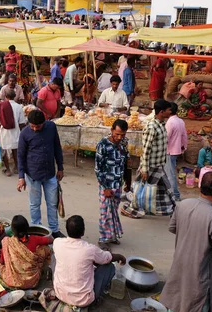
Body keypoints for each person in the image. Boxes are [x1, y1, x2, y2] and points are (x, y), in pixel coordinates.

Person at [159, 172, 212, 312]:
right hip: (201, 278)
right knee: (195, 304)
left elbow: (173, 228)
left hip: (179, 269)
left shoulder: (182, 205)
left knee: (177, 302)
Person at [51, 216, 126, 308]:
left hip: (60, 294)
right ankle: (95, 299)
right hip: (83, 300)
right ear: (83, 231)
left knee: (55, 257)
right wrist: (121, 257)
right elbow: (108, 258)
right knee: (109, 266)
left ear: (66, 230)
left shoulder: (57, 243)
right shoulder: (90, 249)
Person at [123, 99, 175, 218]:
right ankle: (132, 209)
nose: (170, 112)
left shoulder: (161, 125)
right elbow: (145, 150)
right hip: (150, 165)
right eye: (168, 110)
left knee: (164, 188)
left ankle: (167, 208)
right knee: (141, 190)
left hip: (159, 164)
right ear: (162, 112)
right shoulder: (151, 127)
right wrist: (145, 169)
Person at [17, 110, 65, 237]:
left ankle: (54, 230)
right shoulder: (24, 134)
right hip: (33, 175)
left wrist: (60, 167)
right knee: (34, 204)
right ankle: (36, 229)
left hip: (50, 173)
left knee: (52, 203)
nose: (35, 129)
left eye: (37, 126)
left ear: (43, 123)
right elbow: (20, 156)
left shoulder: (51, 127)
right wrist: (21, 177)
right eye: (32, 126)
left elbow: (57, 147)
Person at [95, 120, 130, 250]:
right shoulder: (103, 144)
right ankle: (103, 238)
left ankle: (112, 236)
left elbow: (126, 163)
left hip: (118, 183)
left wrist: (128, 182)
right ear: (111, 130)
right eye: (117, 134)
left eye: (122, 135)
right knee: (105, 212)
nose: (119, 138)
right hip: (107, 185)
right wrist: (106, 187)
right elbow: (98, 169)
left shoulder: (124, 143)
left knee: (113, 211)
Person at [0, 215, 53, 289]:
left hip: (13, 281)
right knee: (45, 248)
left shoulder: (7, 242)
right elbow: (51, 240)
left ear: (13, 230)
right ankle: (44, 270)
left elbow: (2, 261)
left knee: (0, 265)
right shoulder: (34, 239)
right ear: (27, 228)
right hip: (32, 281)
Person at [0, 89, 27, 177]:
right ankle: (17, 167)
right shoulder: (19, 107)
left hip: (4, 132)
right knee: (15, 150)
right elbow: (22, 123)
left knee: (4, 151)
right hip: (15, 132)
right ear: (15, 96)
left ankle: (8, 170)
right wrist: (22, 133)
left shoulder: (2, 106)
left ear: (5, 97)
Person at [165, 102, 187, 201]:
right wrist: (183, 147)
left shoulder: (170, 122)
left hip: (170, 150)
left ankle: (175, 195)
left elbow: (166, 138)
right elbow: (184, 136)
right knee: (170, 172)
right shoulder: (180, 121)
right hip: (176, 149)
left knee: (170, 174)